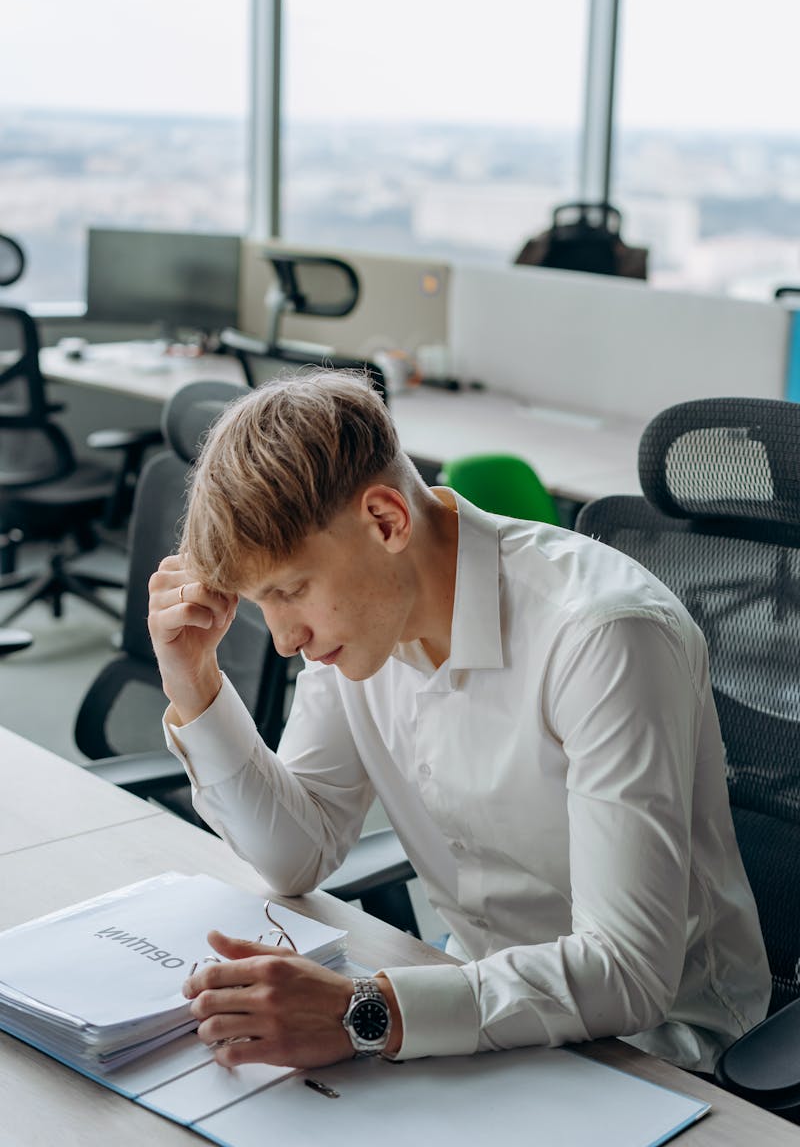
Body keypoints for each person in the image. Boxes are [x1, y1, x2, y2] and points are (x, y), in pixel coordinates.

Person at [147, 369, 770, 1075]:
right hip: (474, 1012)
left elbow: (627, 972)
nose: (285, 639)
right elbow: (297, 854)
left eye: (290, 591)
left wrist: (366, 1010)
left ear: (387, 521)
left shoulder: (600, 637)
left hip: (662, 1053)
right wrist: (193, 683)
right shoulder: (362, 624)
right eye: (264, 604)